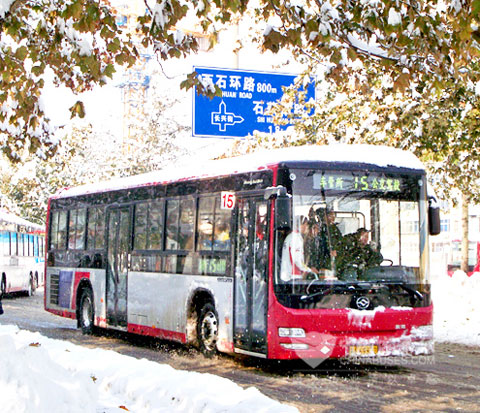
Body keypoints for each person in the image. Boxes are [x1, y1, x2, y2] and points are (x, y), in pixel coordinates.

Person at [280, 216, 318, 281]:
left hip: (288, 275)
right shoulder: (296, 239)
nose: (307, 227)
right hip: (294, 276)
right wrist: (309, 270)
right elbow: (297, 260)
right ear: (300, 225)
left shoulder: (290, 236)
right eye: (306, 225)